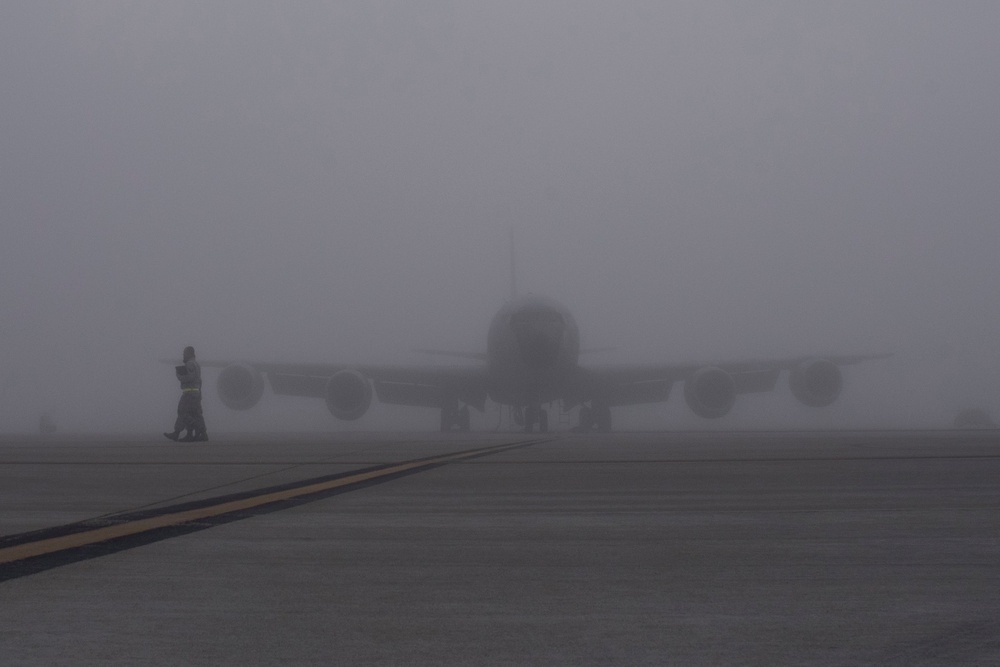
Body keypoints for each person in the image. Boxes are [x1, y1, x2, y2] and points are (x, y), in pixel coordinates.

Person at [164, 346, 208, 442]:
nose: (183, 355)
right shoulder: (196, 364)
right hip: (196, 393)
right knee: (195, 414)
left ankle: (177, 433)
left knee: (182, 412)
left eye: (185, 353)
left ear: (189, 354)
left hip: (189, 393)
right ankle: (199, 434)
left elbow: (189, 377)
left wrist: (179, 375)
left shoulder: (190, 364)